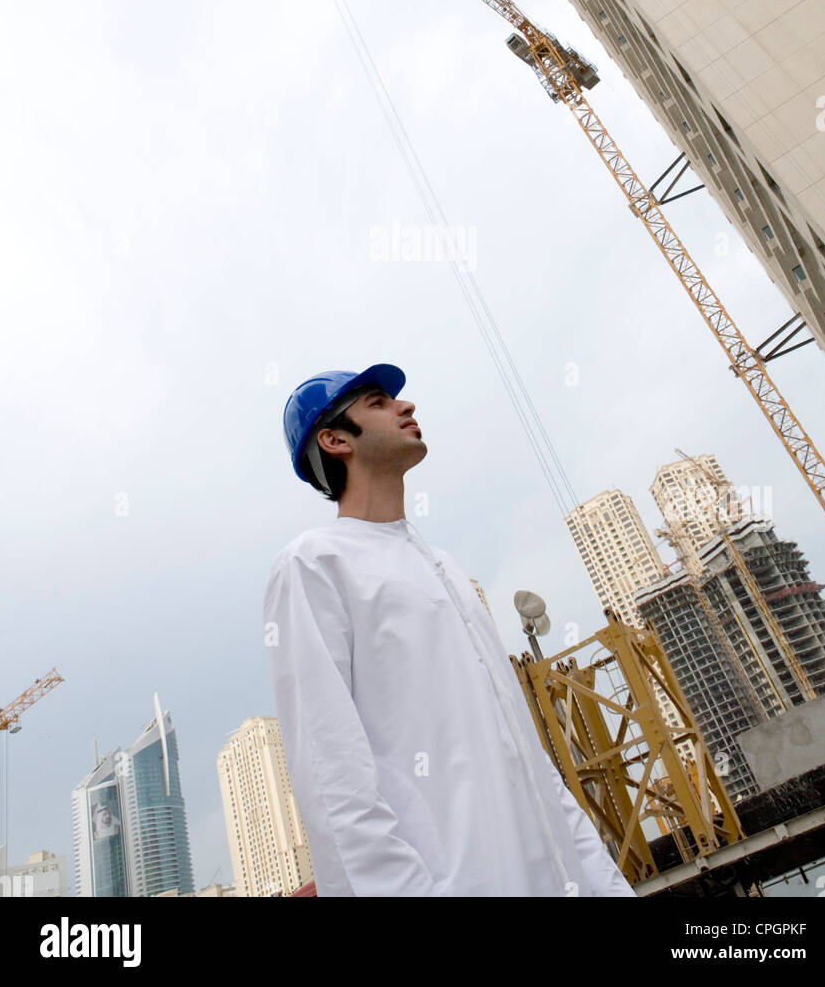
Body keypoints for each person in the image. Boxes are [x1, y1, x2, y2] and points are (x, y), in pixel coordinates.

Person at [263, 363, 637, 898]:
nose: (405, 406)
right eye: (377, 402)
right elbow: (332, 774)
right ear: (335, 439)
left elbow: (534, 769)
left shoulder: (448, 571)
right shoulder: (314, 565)